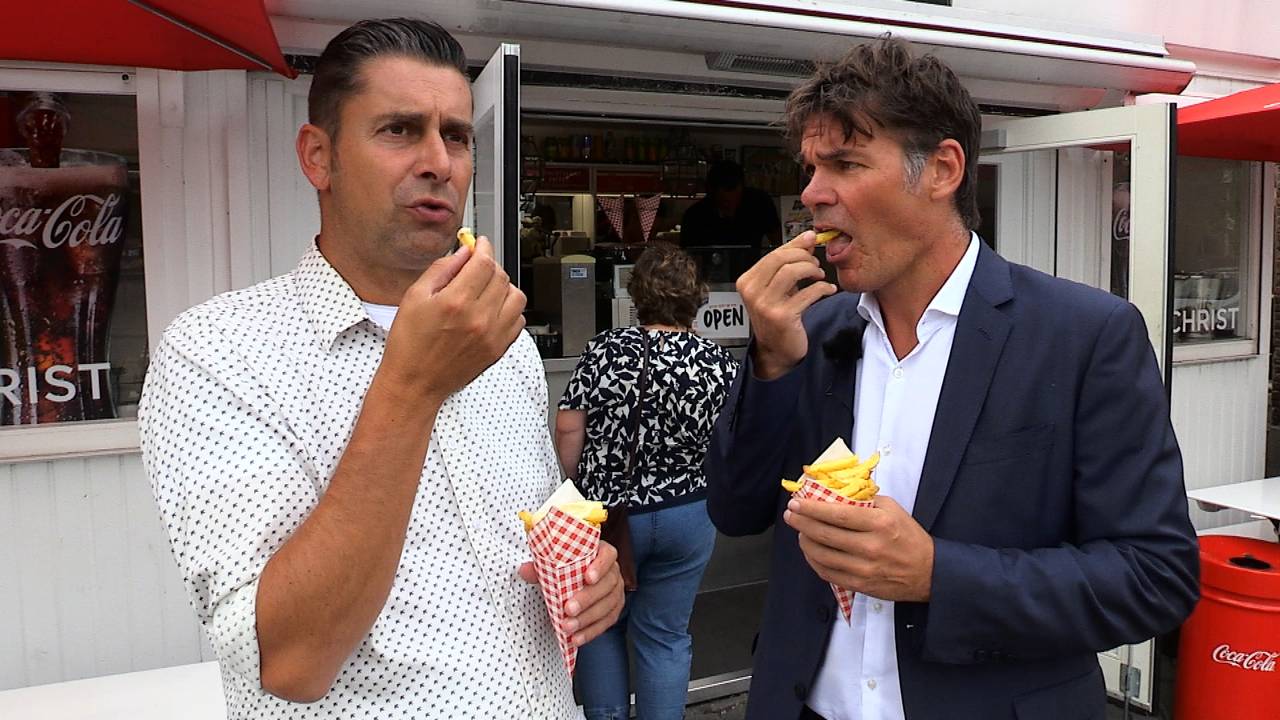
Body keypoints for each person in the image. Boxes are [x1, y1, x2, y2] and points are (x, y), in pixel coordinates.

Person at [138, 18, 623, 719]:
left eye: (456, 135)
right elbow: (289, 658)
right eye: (399, 129)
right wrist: (412, 384)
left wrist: (589, 571)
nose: (439, 162)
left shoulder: (504, 341)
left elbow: (540, 528)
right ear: (319, 157)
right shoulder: (217, 353)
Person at [704, 37, 1199, 720]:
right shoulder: (809, 333)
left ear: (941, 169)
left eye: (845, 162)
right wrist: (768, 362)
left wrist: (939, 574)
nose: (812, 193)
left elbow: (1154, 578)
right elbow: (735, 512)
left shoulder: (1084, 335)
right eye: (811, 167)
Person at [555, 242, 739, 720]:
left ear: (637, 294)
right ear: (696, 298)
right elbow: (733, 441)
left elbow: (569, 426)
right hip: (689, 512)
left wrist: (579, 484)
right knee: (666, 634)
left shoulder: (605, 349)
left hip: (610, 517)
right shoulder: (717, 363)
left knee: (601, 624)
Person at [679, 159, 782, 254]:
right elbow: (687, 256)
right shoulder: (694, 216)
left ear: (741, 187)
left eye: (730, 190)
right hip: (709, 270)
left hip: (752, 268)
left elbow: (778, 241)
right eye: (720, 198)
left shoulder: (759, 202)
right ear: (711, 192)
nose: (726, 200)